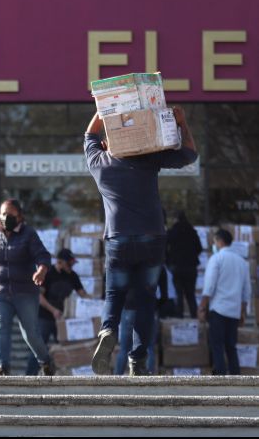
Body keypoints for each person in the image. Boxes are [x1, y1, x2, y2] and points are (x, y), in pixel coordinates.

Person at [84, 106, 198, 376]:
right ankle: (137, 358)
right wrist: (182, 122)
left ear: (105, 143)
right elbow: (190, 154)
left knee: (115, 293)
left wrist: (105, 109)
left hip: (118, 238)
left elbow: (89, 133)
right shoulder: (147, 159)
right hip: (152, 238)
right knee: (146, 299)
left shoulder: (99, 163)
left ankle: (108, 328)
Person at [0, 199, 54, 376]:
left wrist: (41, 270)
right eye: (3, 214)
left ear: (20, 216)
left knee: (30, 333)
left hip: (25, 291)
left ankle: (45, 361)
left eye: (10, 215)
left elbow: (43, 255)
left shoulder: (29, 234)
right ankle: (3, 367)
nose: (6, 218)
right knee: (1, 327)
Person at [25, 248, 88, 375]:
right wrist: (53, 310)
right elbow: (39, 296)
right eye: (70, 263)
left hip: (61, 320)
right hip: (44, 317)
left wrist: (97, 304)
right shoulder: (48, 274)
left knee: (66, 349)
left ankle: (60, 376)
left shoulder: (72, 276)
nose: (72, 266)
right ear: (60, 262)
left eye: (72, 263)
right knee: (39, 347)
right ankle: (29, 377)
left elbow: (83, 295)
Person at [198, 229, 251, 375]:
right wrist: (242, 312)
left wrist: (202, 307)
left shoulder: (216, 259)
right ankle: (235, 376)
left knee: (217, 345)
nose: (214, 245)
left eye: (214, 242)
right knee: (231, 346)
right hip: (234, 311)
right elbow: (246, 291)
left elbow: (209, 287)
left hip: (218, 310)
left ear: (219, 241)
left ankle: (220, 377)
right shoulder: (242, 262)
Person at [166, 211, 203, 318]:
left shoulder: (172, 232)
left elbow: (165, 249)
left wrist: (169, 260)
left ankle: (179, 315)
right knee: (190, 293)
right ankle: (194, 314)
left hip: (176, 266)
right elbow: (199, 248)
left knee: (178, 293)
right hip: (191, 267)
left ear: (175, 219)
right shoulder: (192, 232)